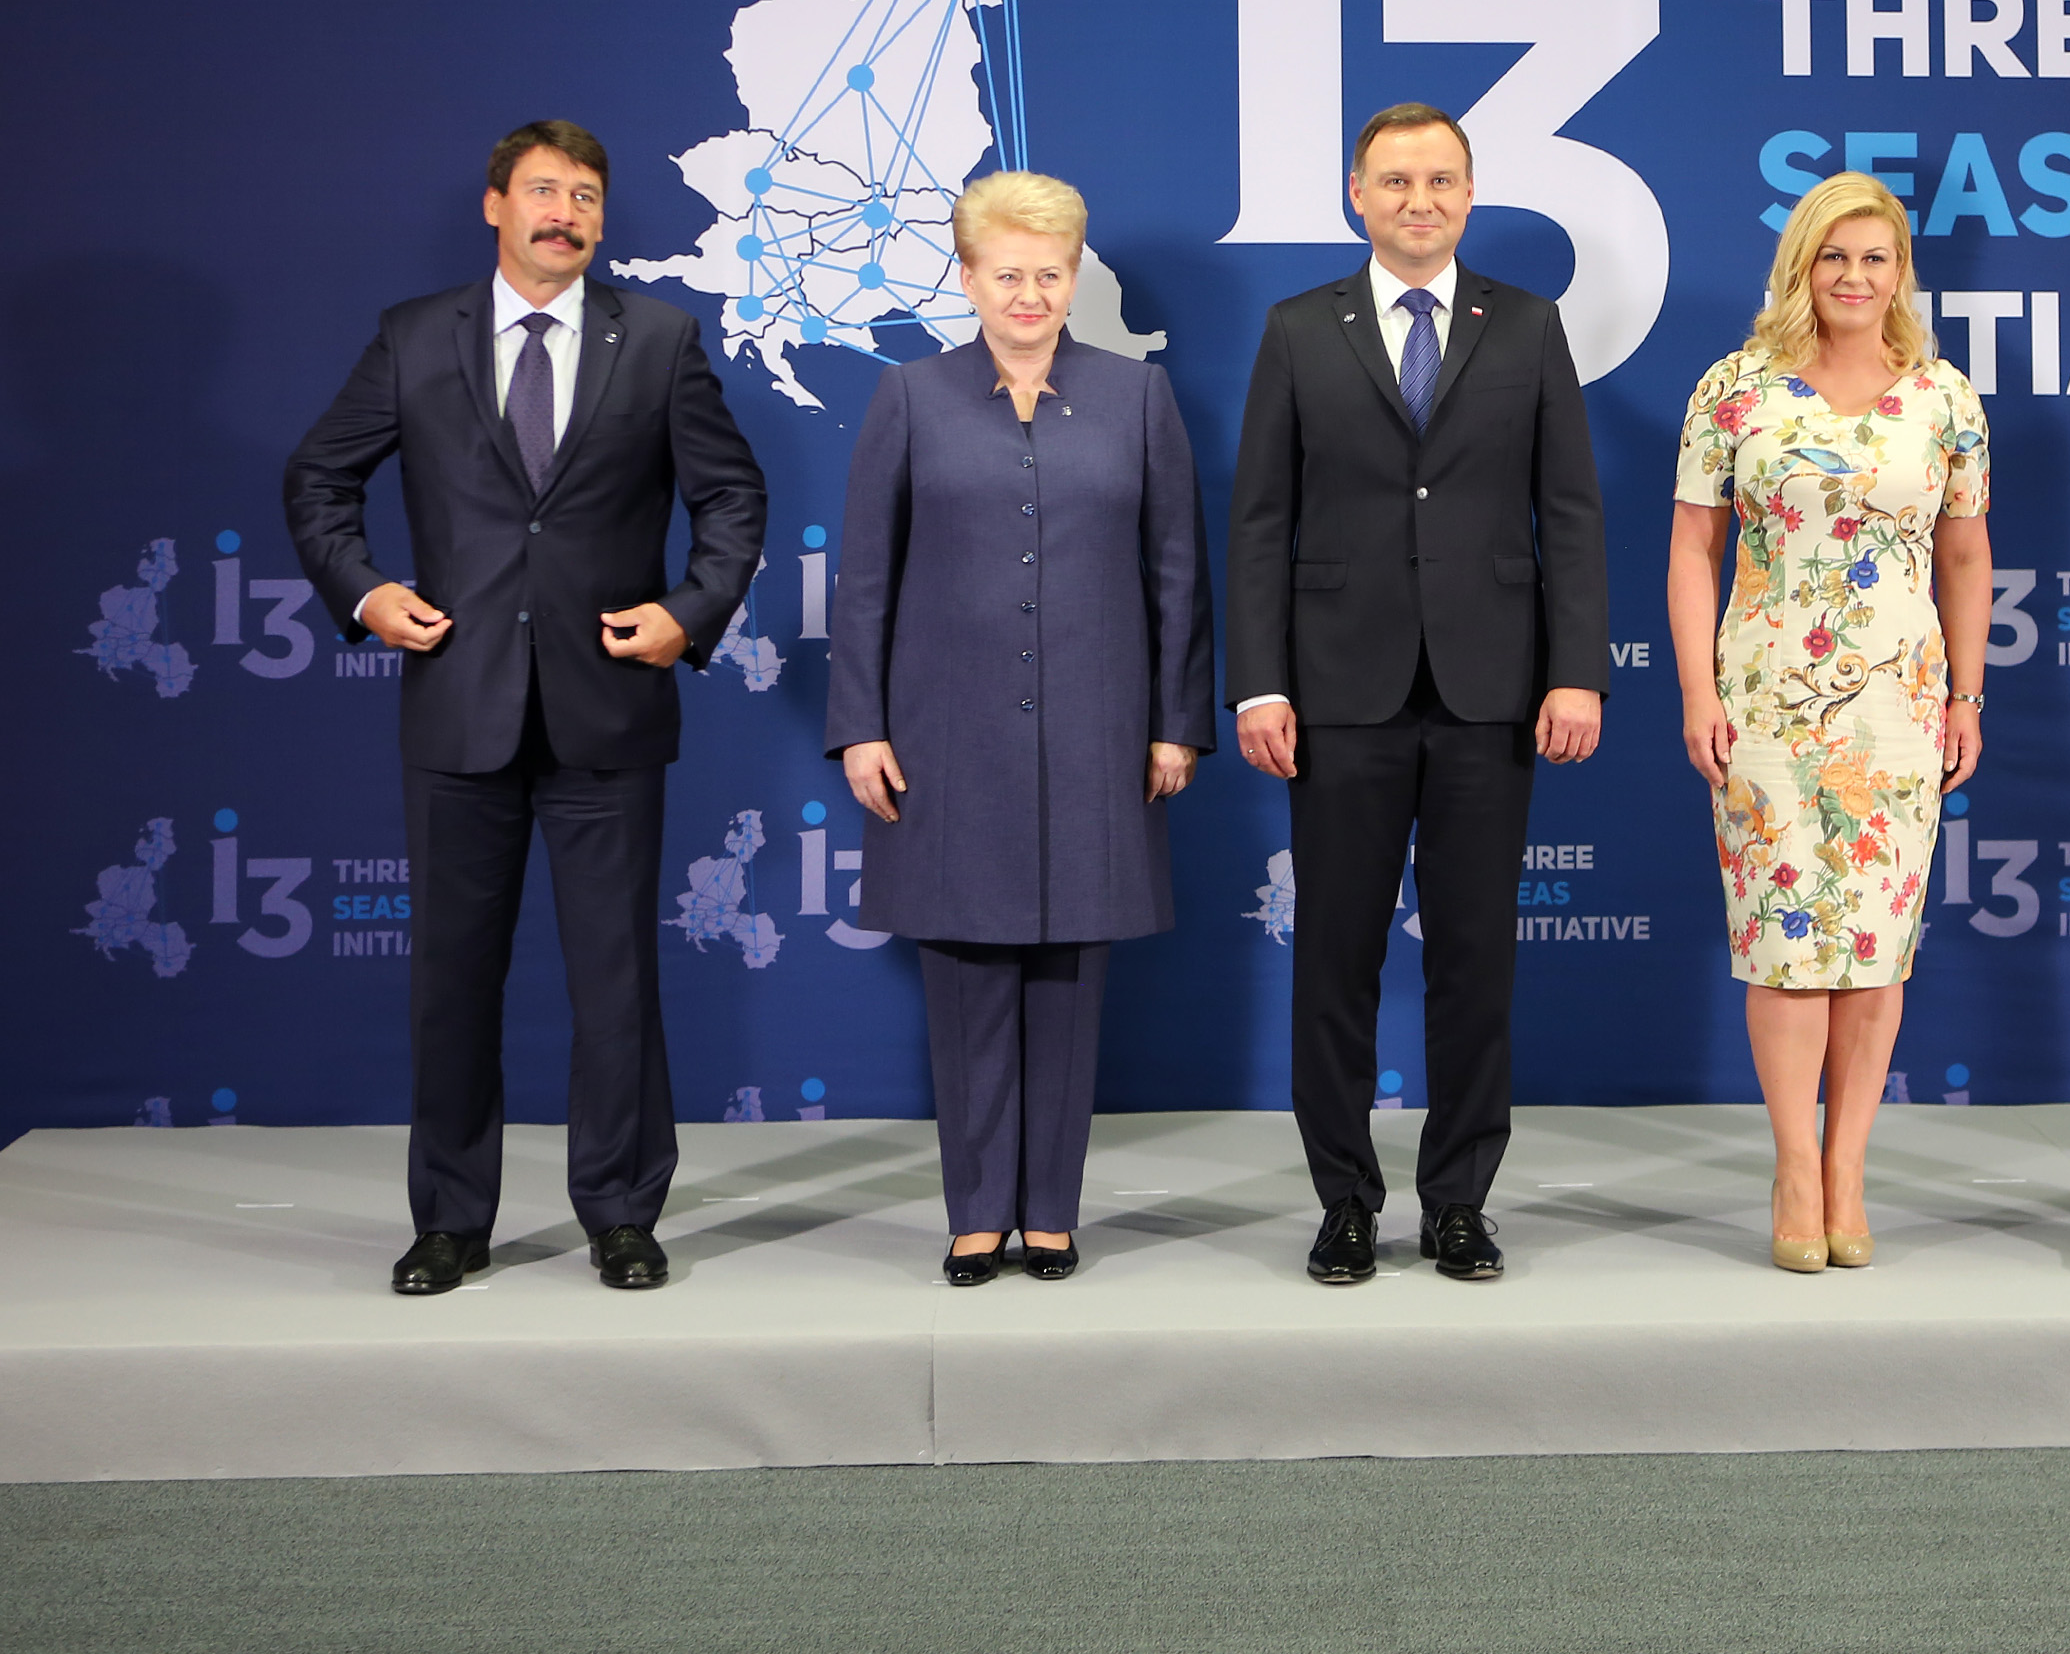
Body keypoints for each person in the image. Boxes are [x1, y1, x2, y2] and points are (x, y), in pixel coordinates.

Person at [283, 120, 767, 1295]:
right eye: (544, 190)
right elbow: (319, 477)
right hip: (458, 708)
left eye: (586, 195)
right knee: (452, 977)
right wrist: (366, 592)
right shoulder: (414, 337)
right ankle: (450, 1219)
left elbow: (733, 497)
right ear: (494, 204)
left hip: (608, 708)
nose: (566, 211)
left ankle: (620, 1212)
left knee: (615, 982)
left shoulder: (657, 338)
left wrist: (687, 611)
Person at [1226, 103, 1610, 1285]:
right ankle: (1345, 1199)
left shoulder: (1529, 325)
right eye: (1395, 180)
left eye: (1441, 179)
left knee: (1474, 959)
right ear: (1357, 194)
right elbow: (1259, 526)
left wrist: (1576, 668)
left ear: (1470, 191)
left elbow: (1574, 516)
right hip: (1338, 691)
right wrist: (1258, 685)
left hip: (1491, 687)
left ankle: (1458, 1199)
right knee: (1334, 957)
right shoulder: (1298, 330)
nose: (1419, 200)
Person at [827, 171, 1214, 1285]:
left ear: (1076, 275)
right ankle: (975, 1211)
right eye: (1009, 274)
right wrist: (861, 724)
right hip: (947, 740)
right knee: (967, 976)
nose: (1031, 294)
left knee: (1068, 977)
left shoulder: (1139, 399)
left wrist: (1175, 723)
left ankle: (1050, 1210)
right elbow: (865, 582)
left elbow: (1176, 574)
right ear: (967, 277)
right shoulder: (909, 396)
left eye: (1051, 273)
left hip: (1101, 732)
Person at [1667, 173, 1991, 1272]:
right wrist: (1698, 693)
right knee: (1785, 942)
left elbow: (1964, 552)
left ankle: (1849, 1166)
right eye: (1834, 256)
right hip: (1765, 705)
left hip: (1900, 708)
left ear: (1903, 270)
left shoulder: (1944, 396)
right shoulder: (1736, 389)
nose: (1855, 276)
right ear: (1801, 265)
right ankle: (1793, 1164)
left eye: (1877, 257)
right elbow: (1691, 550)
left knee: (1874, 952)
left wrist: (1966, 696)